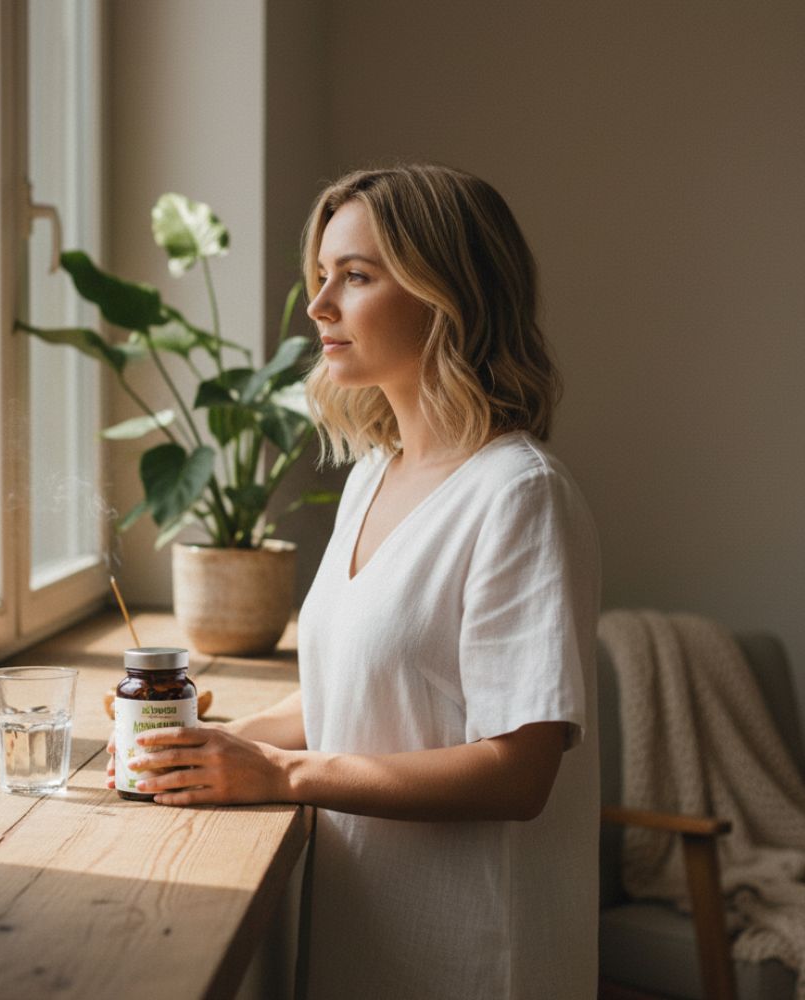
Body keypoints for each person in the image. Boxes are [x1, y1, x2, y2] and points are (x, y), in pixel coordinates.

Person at [106, 164, 601, 999]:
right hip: (365, 935)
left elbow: (521, 773)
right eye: (322, 276)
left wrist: (280, 774)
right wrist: (188, 749)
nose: (319, 306)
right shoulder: (375, 475)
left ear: (450, 294)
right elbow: (363, 691)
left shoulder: (520, 496)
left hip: (476, 956)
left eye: (357, 276)